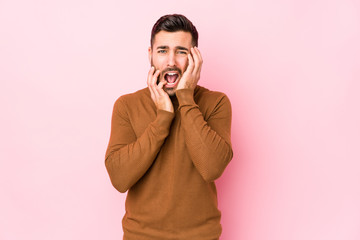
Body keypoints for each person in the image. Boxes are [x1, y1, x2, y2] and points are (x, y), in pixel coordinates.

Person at [105, 14, 233, 240]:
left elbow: (212, 168)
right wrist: (163, 116)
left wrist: (185, 98)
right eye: (162, 50)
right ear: (150, 55)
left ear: (195, 58)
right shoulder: (127, 105)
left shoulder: (216, 103)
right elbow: (119, 178)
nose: (171, 61)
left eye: (181, 51)